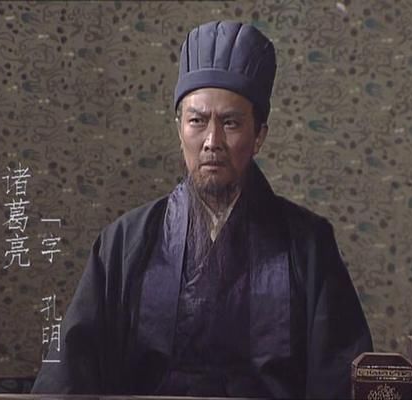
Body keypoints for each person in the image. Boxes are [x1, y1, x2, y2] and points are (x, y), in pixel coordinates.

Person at [32, 20, 372, 399]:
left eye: (231, 123)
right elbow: (70, 372)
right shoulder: (125, 242)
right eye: (197, 121)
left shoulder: (308, 245)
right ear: (180, 129)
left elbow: (338, 378)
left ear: (259, 135)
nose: (212, 141)